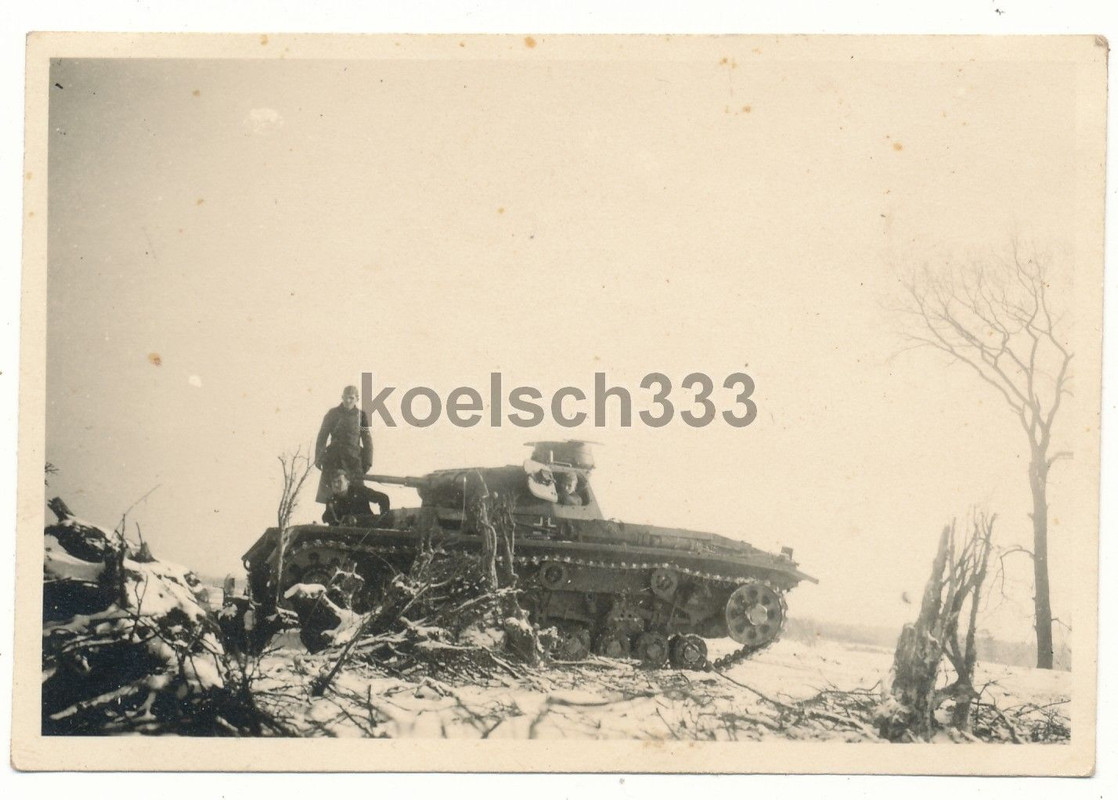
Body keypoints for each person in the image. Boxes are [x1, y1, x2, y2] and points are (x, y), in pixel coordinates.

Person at [315, 385, 374, 503]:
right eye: (346, 397)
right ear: (342, 397)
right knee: (332, 499)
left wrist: (367, 462)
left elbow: (367, 440)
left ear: (357, 399)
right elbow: (322, 437)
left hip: (353, 462)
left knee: (357, 497)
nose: (348, 400)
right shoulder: (332, 414)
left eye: (351, 398)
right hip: (333, 460)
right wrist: (319, 458)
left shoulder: (361, 416)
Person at [323, 470, 391, 526]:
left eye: (339, 481)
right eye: (333, 482)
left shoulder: (360, 491)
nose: (336, 485)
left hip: (366, 530)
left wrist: (383, 519)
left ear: (347, 482)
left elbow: (383, 498)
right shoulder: (331, 500)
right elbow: (331, 521)